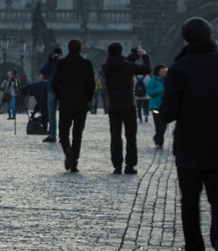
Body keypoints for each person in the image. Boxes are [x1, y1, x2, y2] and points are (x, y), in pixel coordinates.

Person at [159, 17, 218, 251]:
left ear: (185, 38)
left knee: (190, 200)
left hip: (190, 145)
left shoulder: (180, 67)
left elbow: (169, 111)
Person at [100, 42, 150, 175]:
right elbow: (147, 69)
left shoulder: (106, 67)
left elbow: (117, 65)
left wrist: (125, 58)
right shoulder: (128, 66)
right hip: (128, 104)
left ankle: (117, 165)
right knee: (130, 136)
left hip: (114, 105)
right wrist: (144, 55)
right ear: (121, 52)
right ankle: (130, 165)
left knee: (115, 136)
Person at [52, 40, 96, 172]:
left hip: (66, 102)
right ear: (81, 49)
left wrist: (60, 97)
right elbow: (91, 84)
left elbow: (55, 83)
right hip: (81, 104)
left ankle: (67, 150)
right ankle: (75, 162)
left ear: (68, 49)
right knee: (77, 134)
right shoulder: (86, 63)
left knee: (63, 133)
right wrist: (88, 98)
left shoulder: (62, 63)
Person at [41, 47, 63, 143]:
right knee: (51, 115)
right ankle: (52, 135)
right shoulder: (51, 63)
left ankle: (63, 135)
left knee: (63, 115)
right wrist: (50, 61)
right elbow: (43, 70)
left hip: (61, 91)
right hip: (51, 90)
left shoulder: (63, 63)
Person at [148, 67, 169, 145]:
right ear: (159, 72)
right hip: (156, 106)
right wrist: (161, 90)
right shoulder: (152, 81)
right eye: (164, 70)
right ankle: (160, 142)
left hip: (165, 106)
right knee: (158, 125)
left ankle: (157, 137)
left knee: (164, 125)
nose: (165, 72)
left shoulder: (167, 80)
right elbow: (150, 92)